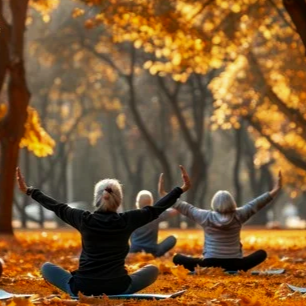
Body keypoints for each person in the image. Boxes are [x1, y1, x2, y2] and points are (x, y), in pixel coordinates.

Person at [16, 166, 190, 297]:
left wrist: (30, 191)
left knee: (46, 267)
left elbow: (57, 207)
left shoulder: (83, 219)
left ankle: (73, 286)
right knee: (152, 269)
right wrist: (179, 190)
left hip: (82, 287)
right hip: (119, 287)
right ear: (119, 200)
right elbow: (156, 209)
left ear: (96, 199)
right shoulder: (127, 220)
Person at [159, 171, 282, 272]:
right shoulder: (240, 214)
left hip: (209, 263)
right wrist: (275, 190)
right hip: (236, 264)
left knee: (177, 258)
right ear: (232, 202)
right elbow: (258, 203)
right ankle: (238, 267)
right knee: (262, 254)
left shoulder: (205, 216)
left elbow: (184, 207)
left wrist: (164, 194)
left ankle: (205, 266)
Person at [129, 190, 178, 257]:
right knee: (173, 238)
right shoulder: (155, 215)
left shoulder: (132, 216)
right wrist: (174, 199)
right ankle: (156, 254)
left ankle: (132, 253)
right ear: (151, 202)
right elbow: (174, 212)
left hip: (134, 249)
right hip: (152, 250)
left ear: (137, 203)